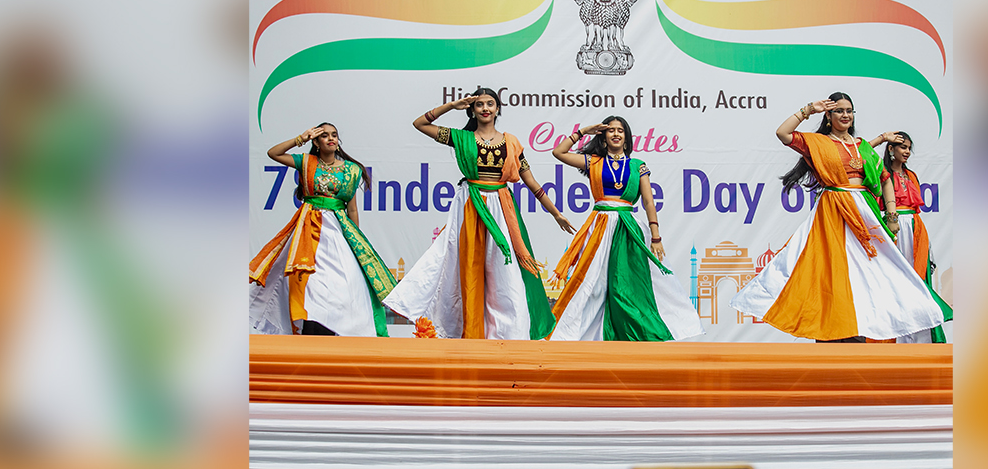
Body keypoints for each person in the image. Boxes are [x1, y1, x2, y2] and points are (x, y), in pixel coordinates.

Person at [731, 92, 944, 342]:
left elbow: (885, 179)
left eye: (849, 111)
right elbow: (783, 134)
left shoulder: (861, 146)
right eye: (840, 110)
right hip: (833, 209)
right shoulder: (820, 143)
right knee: (832, 270)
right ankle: (831, 329)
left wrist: (891, 214)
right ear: (829, 116)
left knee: (874, 269)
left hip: (865, 213)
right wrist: (810, 109)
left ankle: (868, 326)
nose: (845, 115)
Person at [384, 88, 576, 339]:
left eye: (490, 104)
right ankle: (466, 328)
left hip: (502, 209)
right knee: (464, 265)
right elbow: (420, 123)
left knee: (504, 269)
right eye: (479, 105)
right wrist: (452, 106)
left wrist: (555, 213)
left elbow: (532, 183)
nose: (485, 108)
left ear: (498, 109)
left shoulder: (512, 143)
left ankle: (509, 332)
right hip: (471, 206)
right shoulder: (461, 138)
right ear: (472, 110)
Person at [546, 116, 704, 341]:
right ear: (603, 137)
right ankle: (583, 335)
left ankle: (635, 334)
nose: (615, 134)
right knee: (593, 283)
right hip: (599, 228)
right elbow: (558, 153)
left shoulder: (637, 166)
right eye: (610, 130)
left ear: (627, 139)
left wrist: (656, 236)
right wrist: (583, 131)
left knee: (626, 284)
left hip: (628, 228)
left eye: (620, 130)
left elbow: (649, 202)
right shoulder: (594, 162)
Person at [249, 122, 396, 336]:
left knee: (344, 282)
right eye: (324, 135)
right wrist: (301, 138)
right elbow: (274, 153)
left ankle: (339, 329)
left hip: (338, 230)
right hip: (307, 229)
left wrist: (355, 241)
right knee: (309, 280)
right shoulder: (306, 162)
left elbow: (352, 209)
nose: (331, 138)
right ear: (316, 142)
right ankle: (307, 327)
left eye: (334, 135)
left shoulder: (351, 170)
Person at [879, 132, 953, 343]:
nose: (907, 152)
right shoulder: (883, 174)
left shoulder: (911, 175)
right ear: (891, 149)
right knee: (897, 278)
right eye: (902, 147)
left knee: (918, 277)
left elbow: (916, 209)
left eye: (909, 148)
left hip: (915, 228)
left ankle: (922, 335)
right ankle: (898, 335)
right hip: (894, 228)